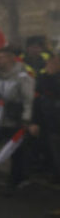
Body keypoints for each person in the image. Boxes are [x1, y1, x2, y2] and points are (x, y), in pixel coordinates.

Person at [0, 45, 36, 190]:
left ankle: (16, 180)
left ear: (10, 58)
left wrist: (26, 119)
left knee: (16, 151)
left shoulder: (23, 75)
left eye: (0, 57)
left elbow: (28, 100)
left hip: (14, 119)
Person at [31, 54, 60, 183]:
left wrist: (53, 76)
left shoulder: (53, 78)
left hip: (55, 118)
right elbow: (37, 98)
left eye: (54, 62)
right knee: (51, 148)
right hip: (48, 120)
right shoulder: (43, 77)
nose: (50, 64)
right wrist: (35, 121)